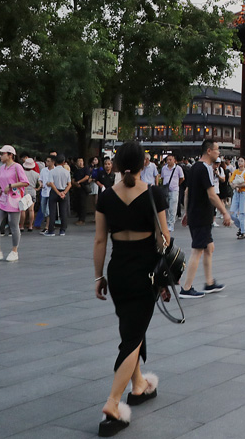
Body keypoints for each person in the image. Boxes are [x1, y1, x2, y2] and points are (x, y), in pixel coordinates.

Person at [92, 141, 169, 436]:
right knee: (133, 337)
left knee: (131, 330)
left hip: (117, 269)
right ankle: (112, 402)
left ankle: (139, 386)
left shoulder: (106, 197)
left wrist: (98, 277)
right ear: (143, 163)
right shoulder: (153, 193)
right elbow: (164, 239)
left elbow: (100, 241)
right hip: (145, 271)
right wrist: (164, 279)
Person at [179, 140, 231, 299]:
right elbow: (211, 194)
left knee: (209, 248)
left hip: (196, 214)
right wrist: (225, 212)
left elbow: (188, 192)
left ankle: (209, 282)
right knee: (198, 250)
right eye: (217, 150)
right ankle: (186, 288)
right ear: (209, 151)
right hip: (201, 215)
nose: (219, 153)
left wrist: (187, 212)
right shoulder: (205, 168)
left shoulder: (194, 167)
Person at [0, 145, 29, 263]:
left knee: (14, 226)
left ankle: (14, 251)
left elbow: (25, 182)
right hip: (2, 199)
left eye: (3, 154)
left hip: (13, 199)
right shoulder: (0, 167)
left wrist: (11, 186)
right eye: (0, 154)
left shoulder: (17, 167)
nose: (0, 156)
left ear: (10, 155)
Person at [45, 155, 72, 236]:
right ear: (64, 162)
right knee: (63, 211)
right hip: (64, 191)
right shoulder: (67, 172)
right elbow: (69, 184)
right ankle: (62, 230)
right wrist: (63, 192)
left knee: (52, 211)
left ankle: (51, 230)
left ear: (55, 162)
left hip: (54, 192)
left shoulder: (52, 171)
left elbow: (51, 183)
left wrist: (57, 192)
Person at [158, 155, 183, 233]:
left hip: (174, 190)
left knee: (173, 208)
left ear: (174, 160)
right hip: (165, 190)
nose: (168, 161)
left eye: (170, 159)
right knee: (165, 207)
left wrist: (176, 184)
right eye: (167, 160)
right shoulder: (164, 168)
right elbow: (162, 178)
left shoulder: (178, 168)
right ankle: (166, 223)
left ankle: (171, 224)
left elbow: (182, 178)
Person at [229, 157, 245, 239]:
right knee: (232, 213)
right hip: (236, 193)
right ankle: (241, 227)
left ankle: (243, 232)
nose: (240, 162)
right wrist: (234, 186)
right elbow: (231, 181)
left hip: (244, 193)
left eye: (242, 161)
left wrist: (237, 185)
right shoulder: (235, 171)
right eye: (239, 161)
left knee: (243, 212)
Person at [71, 156, 91, 225]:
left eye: (81, 161)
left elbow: (87, 177)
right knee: (78, 203)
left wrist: (79, 182)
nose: (80, 163)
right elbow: (73, 179)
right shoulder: (76, 170)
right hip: (77, 189)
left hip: (83, 188)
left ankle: (82, 219)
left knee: (83, 204)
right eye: (78, 161)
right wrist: (75, 183)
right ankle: (79, 218)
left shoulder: (86, 169)